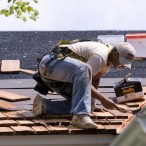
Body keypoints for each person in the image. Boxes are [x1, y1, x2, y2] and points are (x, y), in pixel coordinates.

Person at [32, 40, 136, 129]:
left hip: (56, 78)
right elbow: (85, 76)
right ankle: (80, 116)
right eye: (122, 62)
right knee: (84, 69)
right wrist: (103, 99)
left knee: (88, 105)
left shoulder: (106, 64)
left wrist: (92, 103)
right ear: (115, 54)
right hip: (51, 63)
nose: (123, 66)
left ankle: (44, 106)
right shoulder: (101, 56)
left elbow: (94, 80)